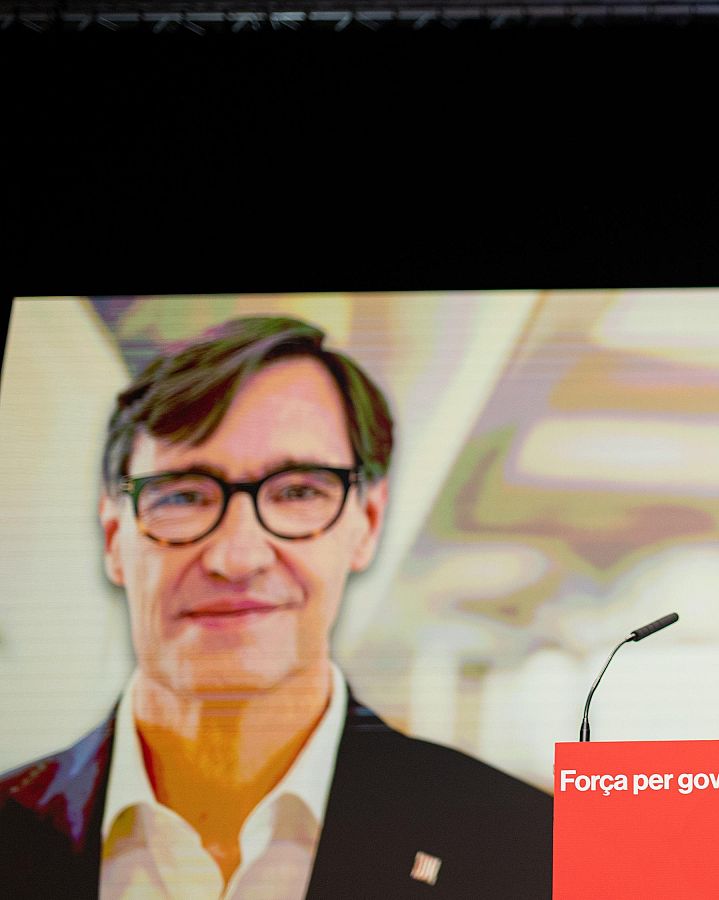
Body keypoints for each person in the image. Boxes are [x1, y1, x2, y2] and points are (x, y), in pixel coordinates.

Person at [0, 316, 553, 898]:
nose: (237, 557)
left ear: (366, 524)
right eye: (184, 495)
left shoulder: (528, 847)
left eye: (297, 492)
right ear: (115, 539)